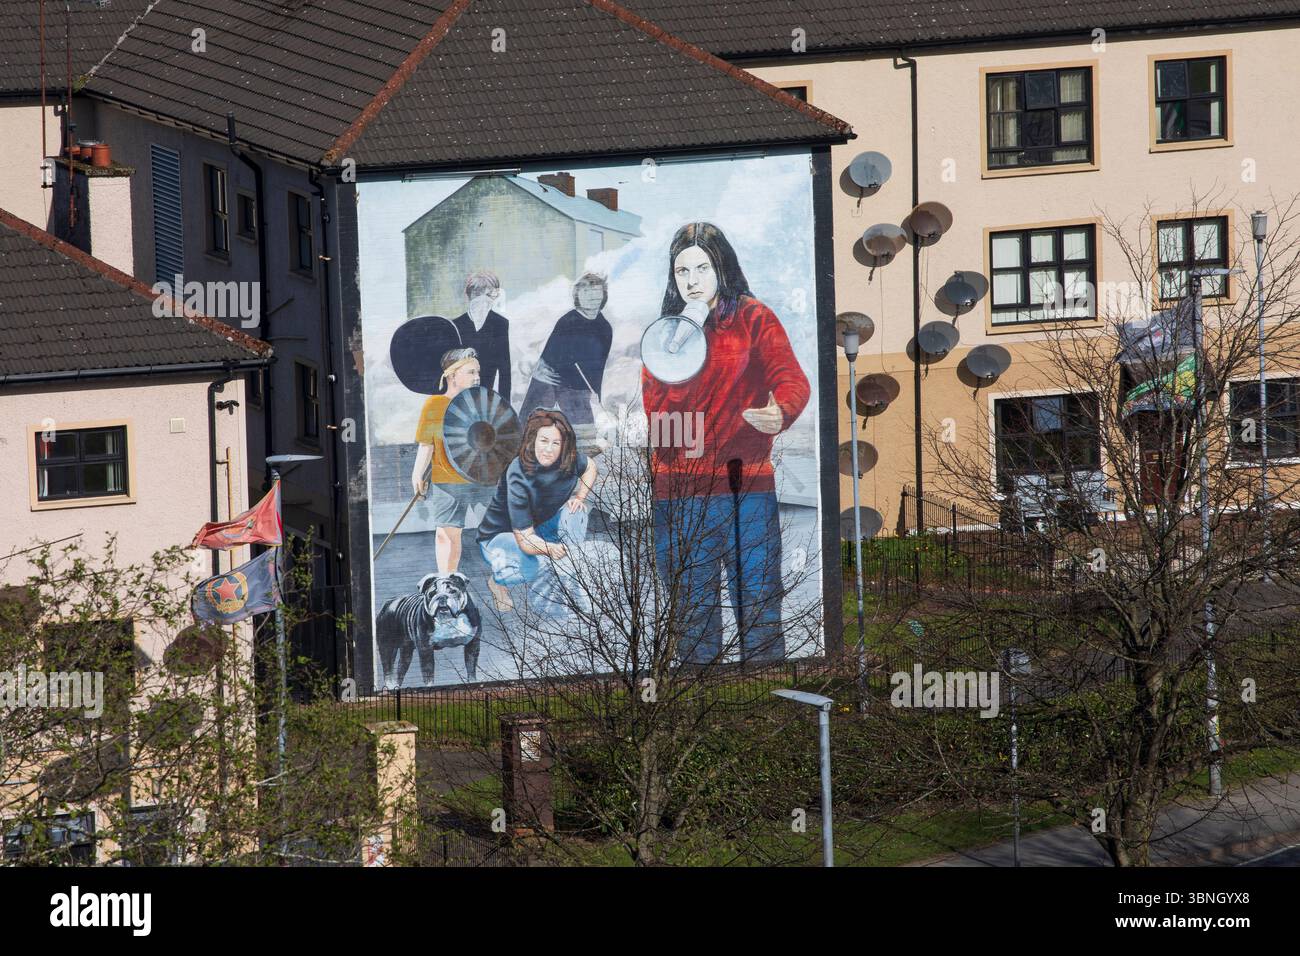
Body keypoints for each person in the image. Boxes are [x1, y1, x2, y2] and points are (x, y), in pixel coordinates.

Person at [641, 221, 810, 665]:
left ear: (722, 266)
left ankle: (767, 694)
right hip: (680, 492)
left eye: (702, 267)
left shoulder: (754, 318)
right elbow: (660, 420)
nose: (692, 280)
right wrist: (683, 344)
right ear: (672, 277)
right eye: (682, 271)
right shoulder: (664, 336)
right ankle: (699, 703)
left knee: (757, 600)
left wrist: (782, 412)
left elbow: (790, 377)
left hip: (745, 486)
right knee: (692, 609)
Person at [477, 409, 598, 615]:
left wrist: (579, 497)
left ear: (563, 445)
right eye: (543, 440)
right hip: (501, 537)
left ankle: (565, 577)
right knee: (532, 567)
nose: (549, 449)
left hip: (538, 529)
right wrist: (550, 550)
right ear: (532, 440)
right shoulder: (519, 473)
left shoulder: (568, 459)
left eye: (556, 443)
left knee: (575, 513)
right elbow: (524, 540)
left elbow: (590, 467)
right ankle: (498, 581)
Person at [411, 348, 497, 576]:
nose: (477, 376)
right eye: (470, 372)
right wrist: (417, 474)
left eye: (478, 371)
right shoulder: (434, 405)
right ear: (452, 375)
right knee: (447, 535)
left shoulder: (484, 402)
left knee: (497, 530)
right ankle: (447, 580)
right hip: (447, 481)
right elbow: (426, 444)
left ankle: (501, 580)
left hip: (482, 480)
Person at [521, 272, 614, 426]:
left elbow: (599, 366)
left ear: (603, 296)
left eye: (596, 291)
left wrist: (597, 392)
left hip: (577, 385)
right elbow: (554, 358)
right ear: (577, 296)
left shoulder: (605, 327)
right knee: (531, 423)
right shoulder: (567, 321)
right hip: (550, 378)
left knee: (584, 431)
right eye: (585, 292)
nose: (591, 296)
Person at [446, 270, 512, 404]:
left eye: (489, 295)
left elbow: (505, 371)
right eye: (478, 294)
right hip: (459, 397)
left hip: (486, 398)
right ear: (469, 295)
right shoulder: (455, 325)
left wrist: (505, 407)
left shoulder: (500, 324)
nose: (484, 300)